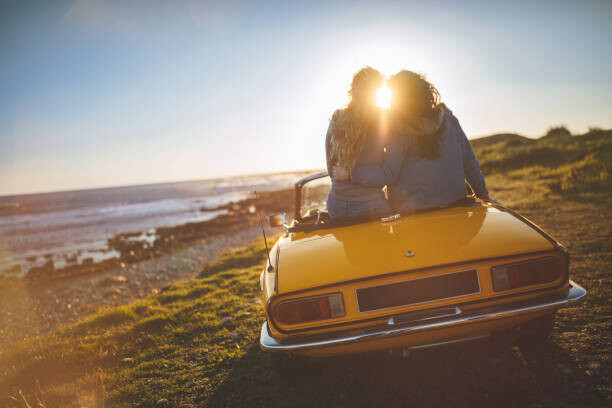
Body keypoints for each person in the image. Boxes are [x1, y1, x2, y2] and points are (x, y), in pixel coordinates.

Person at [333, 70, 489, 211]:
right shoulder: (449, 120)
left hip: (413, 216)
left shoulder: (398, 130)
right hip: (457, 207)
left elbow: (389, 174)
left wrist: (351, 174)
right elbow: (470, 163)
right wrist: (482, 194)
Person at [325, 67, 392, 219]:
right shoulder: (384, 117)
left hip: (336, 203)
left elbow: (331, 168)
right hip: (371, 205)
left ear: (353, 90)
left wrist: (348, 176)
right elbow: (390, 173)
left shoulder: (337, 117)